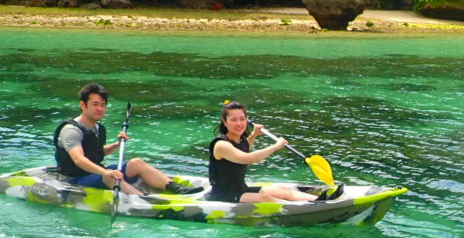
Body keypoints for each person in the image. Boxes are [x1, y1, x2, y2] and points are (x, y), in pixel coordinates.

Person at [53, 83, 202, 196]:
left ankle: (175, 188)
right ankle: (142, 199)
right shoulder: (72, 130)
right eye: (95, 104)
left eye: (103, 105)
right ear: (83, 105)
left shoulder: (98, 127)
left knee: (136, 163)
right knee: (110, 178)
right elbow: (79, 159)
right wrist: (105, 173)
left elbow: (95, 153)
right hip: (73, 181)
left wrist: (117, 145)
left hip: (93, 174)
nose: (100, 109)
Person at [208, 100, 343, 203]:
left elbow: (244, 148)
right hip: (224, 195)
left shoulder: (238, 140)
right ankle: (303, 210)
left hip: (241, 189)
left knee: (283, 191)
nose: (239, 123)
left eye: (242, 119)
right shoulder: (221, 145)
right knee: (265, 198)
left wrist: (254, 135)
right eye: (233, 120)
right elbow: (247, 158)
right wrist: (275, 146)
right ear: (224, 122)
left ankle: (319, 201)